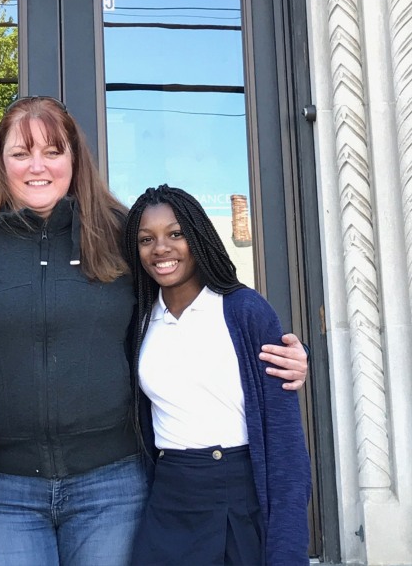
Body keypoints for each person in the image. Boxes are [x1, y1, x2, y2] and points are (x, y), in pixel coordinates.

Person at [0, 97, 310, 566]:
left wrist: (270, 348)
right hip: (3, 491)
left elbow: (190, 295)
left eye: (54, 151)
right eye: (22, 152)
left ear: (75, 158)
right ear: (1, 162)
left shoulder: (122, 234)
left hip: (112, 484)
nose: (38, 166)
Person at [124, 185, 311, 566]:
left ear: (198, 236)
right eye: (147, 239)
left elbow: (284, 441)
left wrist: (288, 548)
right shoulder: (139, 321)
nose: (161, 249)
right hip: (170, 494)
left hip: (237, 491)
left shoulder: (244, 311)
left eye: (176, 234)